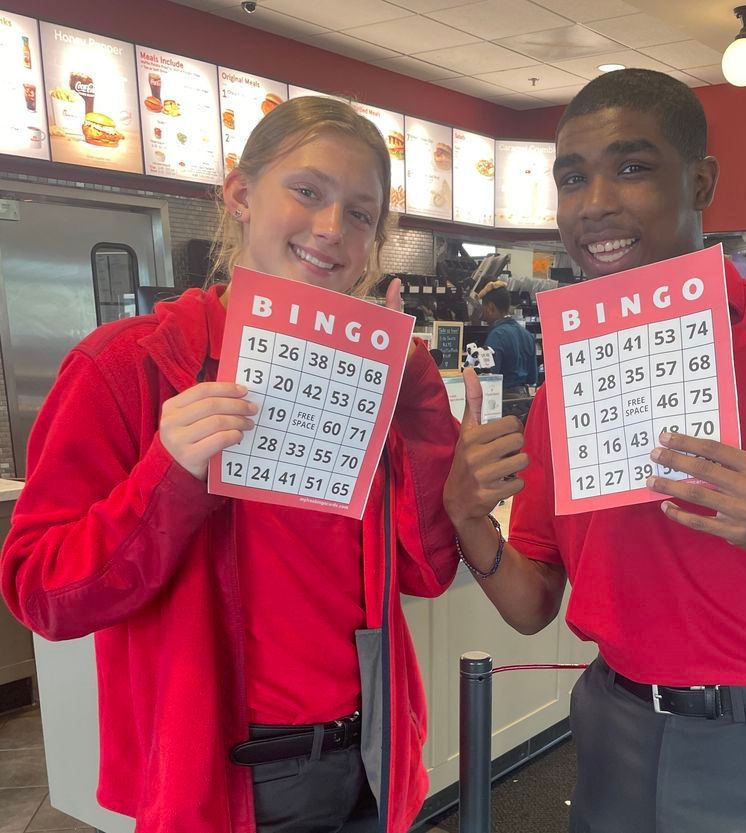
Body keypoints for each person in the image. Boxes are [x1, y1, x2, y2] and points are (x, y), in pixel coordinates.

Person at [443, 69, 746, 833]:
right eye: (572, 177)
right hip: (613, 725)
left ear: (701, 181)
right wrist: (469, 517)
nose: (596, 201)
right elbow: (535, 601)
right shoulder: (563, 389)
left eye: (632, 167)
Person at [1, 97, 461, 833]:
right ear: (241, 195)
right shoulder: (130, 366)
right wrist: (170, 476)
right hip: (226, 779)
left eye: (361, 213)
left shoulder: (376, 375)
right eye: (307, 191)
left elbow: (424, 571)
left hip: (372, 762)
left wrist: (424, 416)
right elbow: (42, 593)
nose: (330, 229)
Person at [476, 280, 537, 394]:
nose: (483, 316)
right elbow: (533, 378)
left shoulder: (497, 336)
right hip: (524, 401)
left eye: (484, 309)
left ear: (491, 307)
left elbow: (490, 378)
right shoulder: (527, 335)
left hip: (503, 401)